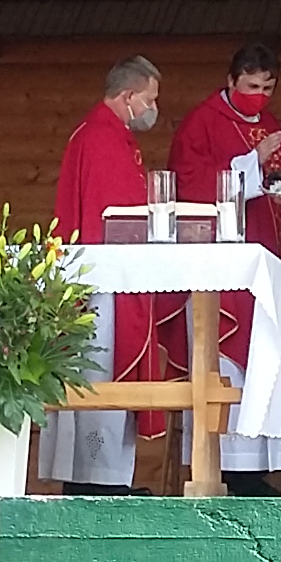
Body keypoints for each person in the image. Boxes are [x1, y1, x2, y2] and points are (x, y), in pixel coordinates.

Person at [171, 47, 281, 495]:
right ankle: (235, 471)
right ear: (231, 79)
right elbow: (192, 184)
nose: (260, 95)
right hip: (230, 269)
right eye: (252, 86)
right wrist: (252, 160)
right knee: (236, 356)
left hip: (276, 262)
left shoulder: (270, 124)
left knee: (274, 357)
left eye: (268, 87)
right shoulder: (202, 123)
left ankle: (268, 468)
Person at [42, 57, 169, 495]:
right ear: (128, 96)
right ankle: (97, 483)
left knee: (102, 374)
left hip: (110, 277)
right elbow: (108, 217)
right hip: (103, 284)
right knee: (100, 375)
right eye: (149, 99)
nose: (153, 108)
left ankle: (104, 478)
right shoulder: (102, 138)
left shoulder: (108, 134)